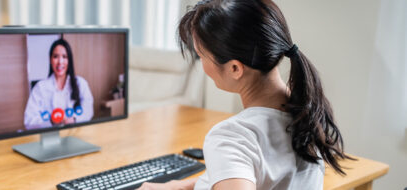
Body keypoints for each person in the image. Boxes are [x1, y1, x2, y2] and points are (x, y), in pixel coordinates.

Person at [138, 0, 353, 189]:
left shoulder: (233, 137)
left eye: (201, 55)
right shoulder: (308, 114)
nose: (201, 65)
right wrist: (183, 186)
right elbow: (257, 176)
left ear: (235, 68)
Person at [23, 38, 94, 130]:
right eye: (56, 56)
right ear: (50, 60)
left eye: (64, 57)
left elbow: (89, 110)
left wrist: (74, 119)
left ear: (69, 60)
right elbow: (29, 121)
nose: (60, 62)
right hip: (50, 138)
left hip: (75, 135)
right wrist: (50, 121)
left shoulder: (80, 83)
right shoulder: (40, 88)